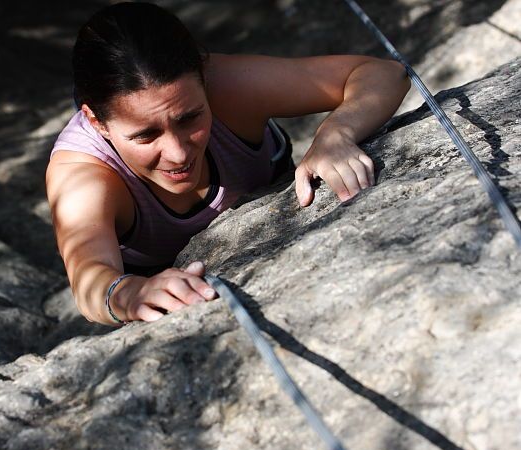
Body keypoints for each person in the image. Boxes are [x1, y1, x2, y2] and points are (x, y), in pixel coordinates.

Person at [45, 2, 410, 326]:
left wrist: (336, 134)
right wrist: (129, 294)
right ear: (95, 121)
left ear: (204, 80)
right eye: (145, 135)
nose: (177, 151)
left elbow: (384, 73)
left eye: (190, 117)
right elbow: (90, 278)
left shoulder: (229, 87)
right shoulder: (82, 172)